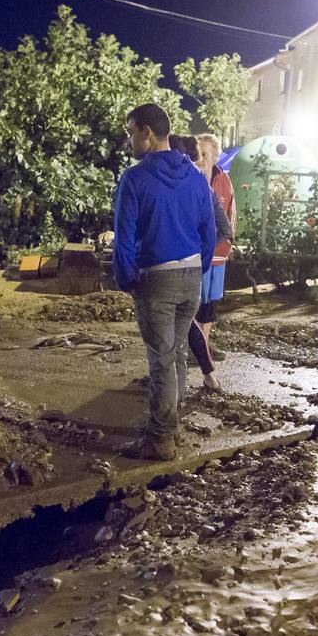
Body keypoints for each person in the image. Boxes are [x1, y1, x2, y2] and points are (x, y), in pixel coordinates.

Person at [114, 105, 216, 460]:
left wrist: (126, 278)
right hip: (191, 278)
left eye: (131, 133)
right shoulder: (195, 176)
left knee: (161, 360)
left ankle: (159, 440)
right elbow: (209, 231)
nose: (129, 140)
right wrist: (196, 269)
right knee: (176, 356)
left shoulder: (135, 178)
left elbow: (124, 237)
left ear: (146, 132)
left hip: (156, 278)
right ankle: (170, 425)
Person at [170, 135, 233, 392]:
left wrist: (202, 255)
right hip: (190, 265)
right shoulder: (199, 184)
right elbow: (222, 227)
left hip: (171, 267)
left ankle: (172, 395)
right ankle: (203, 378)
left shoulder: (157, 181)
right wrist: (201, 257)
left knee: (180, 325)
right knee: (184, 323)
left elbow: (222, 226)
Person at [195, 133, 235, 364]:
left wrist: (227, 244)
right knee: (193, 301)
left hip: (218, 252)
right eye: (198, 153)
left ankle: (204, 348)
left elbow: (231, 213)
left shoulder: (223, 180)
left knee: (209, 303)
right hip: (195, 253)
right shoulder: (191, 178)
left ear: (216, 157)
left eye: (205, 154)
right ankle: (193, 345)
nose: (200, 159)